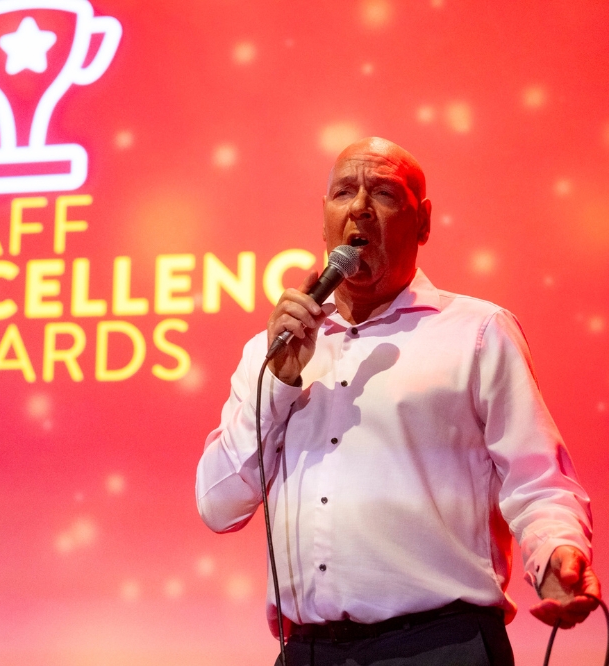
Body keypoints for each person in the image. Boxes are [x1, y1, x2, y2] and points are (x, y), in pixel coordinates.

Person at [195, 137, 600, 665]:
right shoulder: (273, 349)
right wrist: (278, 386)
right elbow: (218, 506)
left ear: (424, 222)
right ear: (325, 221)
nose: (359, 207)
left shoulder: (477, 332)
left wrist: (557, 555)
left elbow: (537, 479)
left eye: (383, 192)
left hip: (441, 646)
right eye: (344, 192)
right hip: (309, 651)